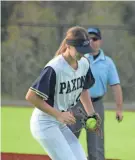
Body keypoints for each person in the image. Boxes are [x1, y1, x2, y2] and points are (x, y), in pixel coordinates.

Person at [25, 26, 101, 160]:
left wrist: (91, 114)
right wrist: (58, 114)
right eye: (79, 50)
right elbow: (31, 96)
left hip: (60, 124)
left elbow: (83, 88)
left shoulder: (84, 63)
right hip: (45, 123)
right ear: (68, 46)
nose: (82, 54)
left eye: (85, 50)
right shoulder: (55, 68)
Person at [69, 27, 123, 160]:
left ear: (100, 41)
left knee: (96, 145)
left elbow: (115, 86)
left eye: (95, 39)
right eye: (90, 39)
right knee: (68, 140)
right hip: (76, 104)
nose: (92, 41)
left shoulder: (108, 62)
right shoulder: (79, 58)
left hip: (96, 105)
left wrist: (119, 109)